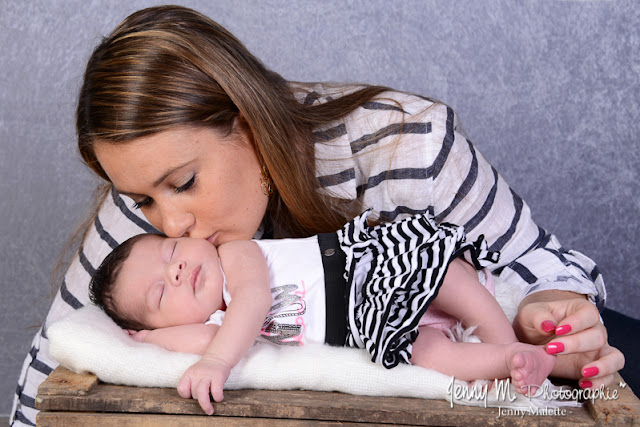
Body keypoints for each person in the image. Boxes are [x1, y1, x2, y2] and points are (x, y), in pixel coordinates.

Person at [11, 5, 625, 425]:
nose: (169, 226)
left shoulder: (400, 142)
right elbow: (46, 377)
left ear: (248, 127)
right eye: (142, 199)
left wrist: (551, 302)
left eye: (184, 184)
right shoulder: (148, 229)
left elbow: (545, 260)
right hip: (416, 348)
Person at [89, 211, 556, 415]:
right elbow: (203, 342)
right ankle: (510, 365)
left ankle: (502, 339)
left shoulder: (236, 255)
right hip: (367, 322)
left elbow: (251, 305)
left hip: (366, 269)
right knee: (427, 352)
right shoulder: (218, 326)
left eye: (172, 251)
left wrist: (215, 363)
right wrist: (152, 341)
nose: (177, 271)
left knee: (450, 279)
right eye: (160, 294)